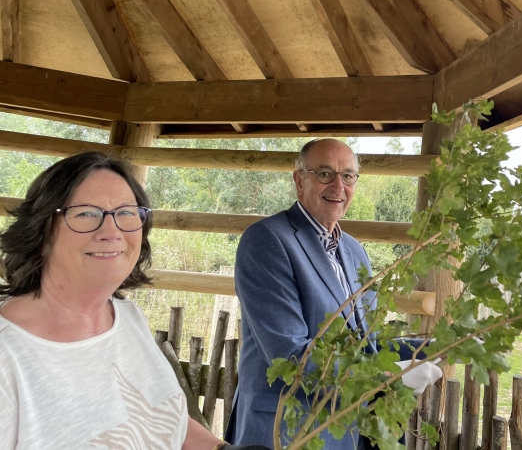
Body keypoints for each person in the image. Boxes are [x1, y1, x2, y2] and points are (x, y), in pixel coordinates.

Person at [0, 152, 265, 450]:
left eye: (126, 212)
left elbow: (163, 420)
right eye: (86, 213)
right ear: (41, 230)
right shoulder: (8, 355)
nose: (111, 231)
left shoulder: (126, 317)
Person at [227, 139, 441, 449]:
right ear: (300, 181)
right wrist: (386, 379)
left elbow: (368, 345)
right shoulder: (267, 240)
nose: (338, 185)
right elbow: (289, 354)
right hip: (289, 429)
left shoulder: (354, 250)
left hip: (350, 428)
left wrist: (432, 346)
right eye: (325, 173)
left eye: (349, 175)